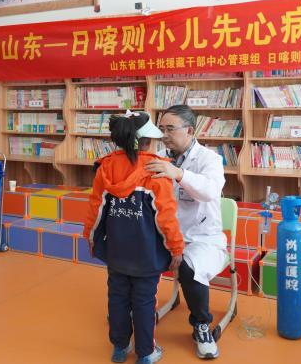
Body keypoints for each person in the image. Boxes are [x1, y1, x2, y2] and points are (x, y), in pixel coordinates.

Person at [84, 111, 184, 364]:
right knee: (144, 302)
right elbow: (166, 217)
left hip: (116, 251)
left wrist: (91, 237)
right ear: (148, 142)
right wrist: (176, 248)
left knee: (117, 298)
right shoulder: (157, 169)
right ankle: (146, 353)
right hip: (147, 255)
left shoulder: (105, 166)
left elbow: (96, 209)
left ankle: (119, 348)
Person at [144, 105, 226, 360]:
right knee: (133, 254)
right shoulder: (158, 157)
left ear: (189, 131)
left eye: (170, 129)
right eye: (161, 129)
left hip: (203, 237)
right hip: (167, 235)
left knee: (189, 268)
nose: (164, 134)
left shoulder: (209, 159)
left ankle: (201, 325)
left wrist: (178, 173)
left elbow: (210, 190)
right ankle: (136, 312)